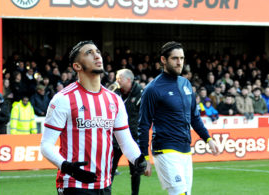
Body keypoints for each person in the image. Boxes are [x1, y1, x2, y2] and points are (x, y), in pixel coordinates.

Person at [40, 40, 146, 195]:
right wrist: (68, 167)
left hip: (104, 184)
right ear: (77, 66)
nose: (97, 56)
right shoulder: (62, 99)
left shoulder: (114, 100)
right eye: (89, 53)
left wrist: (138, 159)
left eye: (97, 52)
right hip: (73, 184)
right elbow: (46, 145)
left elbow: (125, 141)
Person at [138, 41, 219, 195]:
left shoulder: (186, 84)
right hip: (165, 149)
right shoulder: (152, 89)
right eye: (175, 58)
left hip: (185, 150)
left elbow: (195, 117)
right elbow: (143, 125)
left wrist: (208, 139)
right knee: (179, 193)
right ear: (163, 60)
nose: (179, 62)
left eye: (181, 58)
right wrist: (144, 157)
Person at [110, 69, 143, 195]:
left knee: (135, 171)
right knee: (110, 170)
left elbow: (144, 116)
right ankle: (106, 192)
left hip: (132, 139)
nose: (117, 80)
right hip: (115, 138)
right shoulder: (113, 91)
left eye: (120, 78)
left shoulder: (140, 93)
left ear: (128, 80)